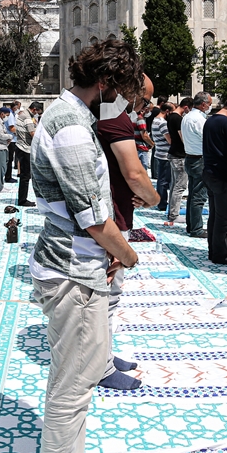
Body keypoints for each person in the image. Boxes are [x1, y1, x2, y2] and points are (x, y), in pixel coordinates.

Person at [28, 38, 141, 453]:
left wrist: (109, 252)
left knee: (82, 373)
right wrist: (126, 254)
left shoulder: (71, 115)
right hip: (72, 269)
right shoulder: (72, 126)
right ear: (106, 83)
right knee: (72, 384)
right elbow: (92, 216)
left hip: (78, 261)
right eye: (125, 90)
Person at [94, 76, 160, 392]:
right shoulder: (114, 117)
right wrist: (153, 197)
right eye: (144, 100)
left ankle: (104, 355)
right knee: (106, 297)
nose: (144, 107)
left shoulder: (108, 115)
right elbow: (134, 173)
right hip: (110, 219)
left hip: (116, 214)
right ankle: (101, 367)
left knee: (111, 297)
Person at [202, 96, 227, 265]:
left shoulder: (210, 121)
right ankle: (220, 254)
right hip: (223, 174)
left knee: (215, 215)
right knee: (226, 216)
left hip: (210, 172)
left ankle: (214, 251)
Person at [181, 92, 211, 238]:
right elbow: (207, 138)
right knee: (198, 197)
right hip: (199, 159)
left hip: (191, 157)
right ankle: (196, 228)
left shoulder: (187, 117)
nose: (210, 107)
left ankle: (191, 225)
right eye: (209, 104)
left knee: (193, 195)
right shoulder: (198, 119)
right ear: (203, 104)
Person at [164, 98, 192, 226]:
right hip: (179, 155)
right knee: (180, 186)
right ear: (186, 107)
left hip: (173, 153)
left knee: (175, 185)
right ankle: (174, 215)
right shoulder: (178, 119)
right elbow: (183, 137)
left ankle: (171, 212)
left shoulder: (171, 117)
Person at [15, 101, 41, 207]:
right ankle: (22, 200)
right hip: (25, 149)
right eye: (37, 112)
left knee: (25, 175)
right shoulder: (27, 117)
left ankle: (22, 198)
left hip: (21, 147)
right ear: (34, 109)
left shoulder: (23, 114)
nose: (37, 114)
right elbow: (33, 134)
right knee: (25, 176)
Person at [150, 102, 174, 210]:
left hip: (159, 152)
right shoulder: (162, 123)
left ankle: (161, 202)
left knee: (161, 179)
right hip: (165, 154)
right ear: (167, 111)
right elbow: (169, 140)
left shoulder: (155, 120)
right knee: (164, 181)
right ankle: (162, 203)